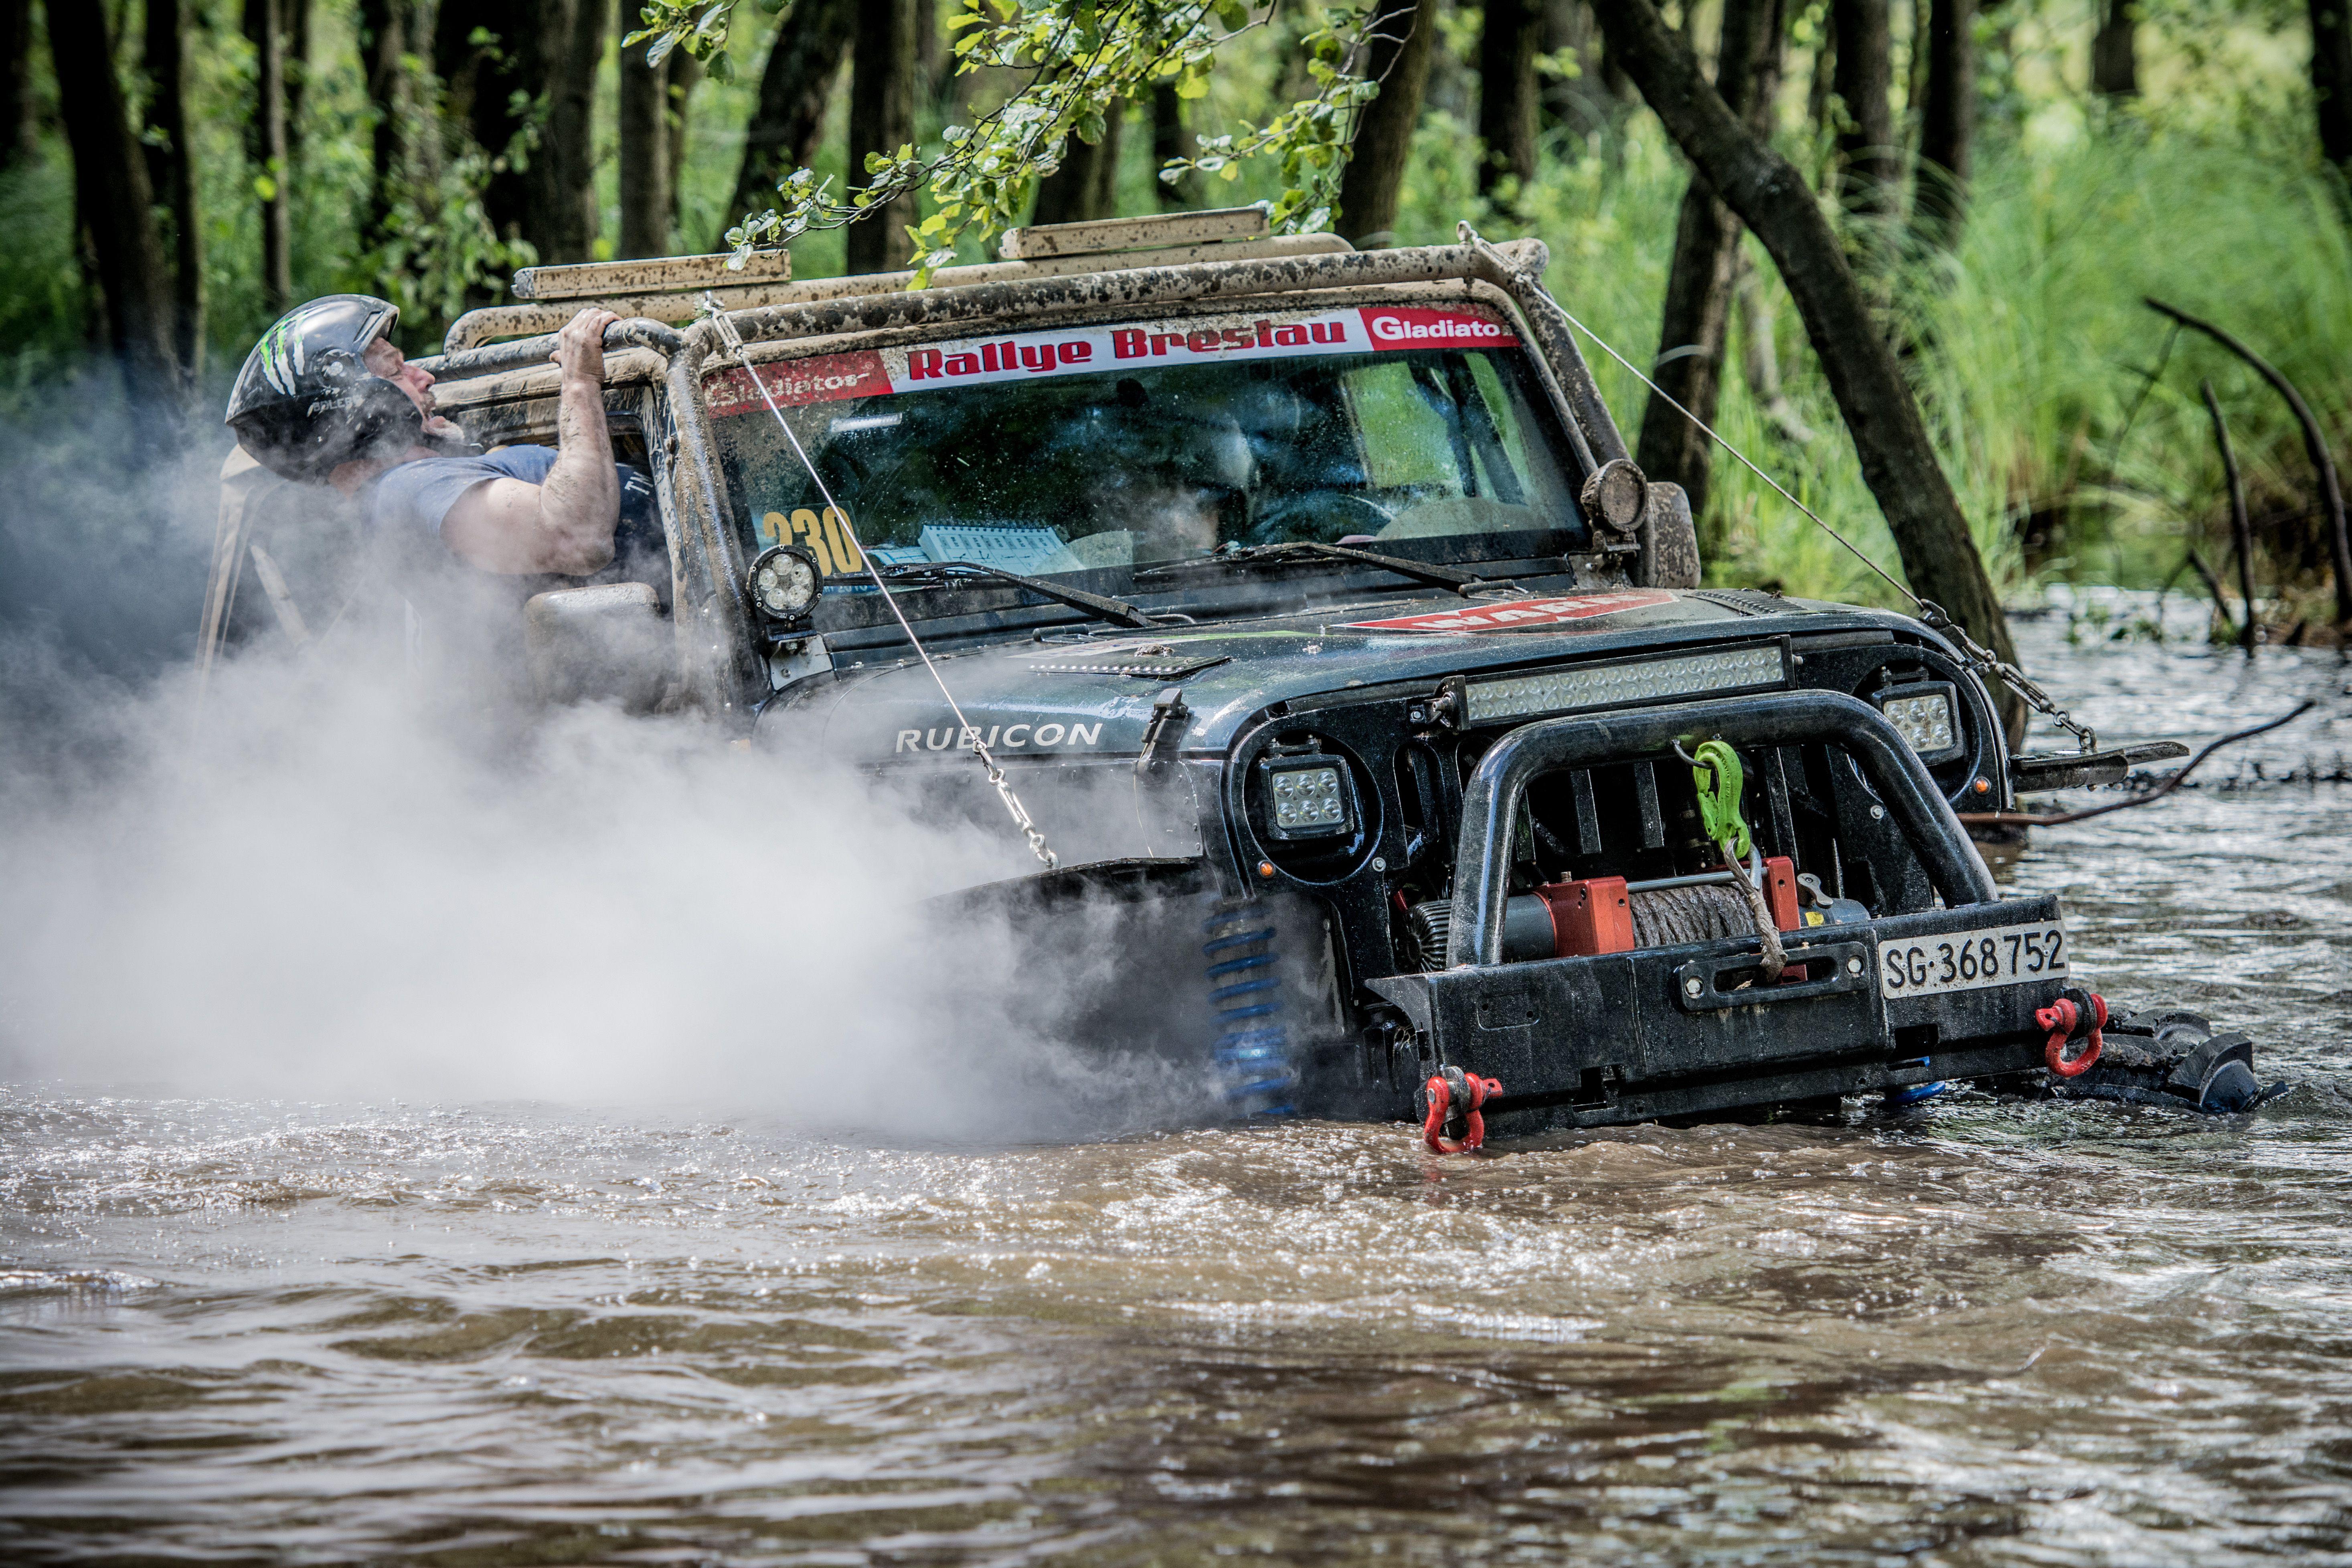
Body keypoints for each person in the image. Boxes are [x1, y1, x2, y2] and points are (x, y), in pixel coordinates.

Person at [223, 294, 629, 578]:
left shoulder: (420, 485)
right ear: (352, 411)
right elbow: (577, 536)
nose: (425, 376)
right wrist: (579, 383)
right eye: (397, 372)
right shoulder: (409, 489)